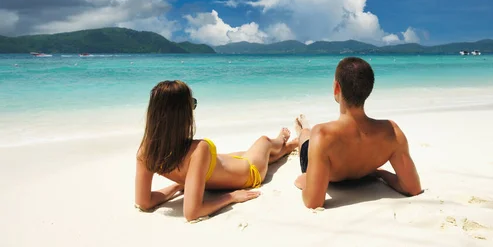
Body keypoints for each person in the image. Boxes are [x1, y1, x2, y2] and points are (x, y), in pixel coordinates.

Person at [135, 80, 298, 221]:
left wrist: (179, 185)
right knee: (264, 141)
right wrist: (231, 197)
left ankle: (284, 150)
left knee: (245, 153)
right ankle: (283, 141)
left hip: (227, 166)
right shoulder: (198, 149)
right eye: (192, 104)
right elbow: (192, 213)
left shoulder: (146, 152)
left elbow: (144, 202)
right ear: (183, 115)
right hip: (251, 171)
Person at [294, 57, 422, 208]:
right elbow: (412, 188)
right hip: (363, 170)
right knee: (308, 134)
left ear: (337, 88)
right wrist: (380, 173)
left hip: (321, 161)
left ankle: (301, 129)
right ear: (369, 89)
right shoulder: (392, 132)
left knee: (305, 137)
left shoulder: (322, 134)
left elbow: (313, 202)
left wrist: (306, 182)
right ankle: (302, 127)